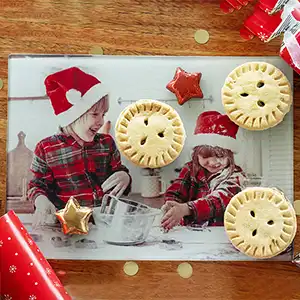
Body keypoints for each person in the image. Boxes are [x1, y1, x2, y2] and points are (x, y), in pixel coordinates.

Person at [27, 67, 131, 228]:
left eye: (103, 114)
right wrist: (41, 200)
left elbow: (118, 173)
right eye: (95, 114)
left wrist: (125, 176)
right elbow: (37, 185)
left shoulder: (106, 143)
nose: (101, 121)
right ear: (75, 114)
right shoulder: (46, 148)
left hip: (105, 223)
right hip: (66, 227)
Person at [161, 111, 247, 230]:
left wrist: (186, 208)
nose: (212, 163)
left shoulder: (236, 176)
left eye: (220, 156)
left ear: (230, 155)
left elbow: (218, 201)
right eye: (205, 157)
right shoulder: (190, 169)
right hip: (190, 231)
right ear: (196, 155)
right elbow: (175, 192)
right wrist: (172, 206)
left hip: (220, 231)